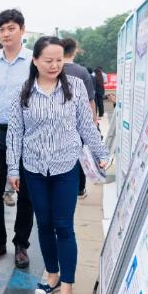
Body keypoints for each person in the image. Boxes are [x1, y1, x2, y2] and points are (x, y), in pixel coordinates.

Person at [7, 36, 108, 294]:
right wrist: (12, 169)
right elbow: (15, 132)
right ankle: (52, 274)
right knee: (44, 224)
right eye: (48, 60)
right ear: (35, 61)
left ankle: (67, 287)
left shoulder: (74, 86)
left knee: (64, 226)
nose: (54, 65)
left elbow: (85, 125)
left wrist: (101, 154)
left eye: (59, 60)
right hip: (34, 169)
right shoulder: (23, 91)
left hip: (65, 168)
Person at [0, 8, 35, 269]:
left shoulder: (34, 60)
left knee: (25, 190)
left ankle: (21, 244)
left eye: (11, 28)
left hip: (27, 133)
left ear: (22, 30)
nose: (6, 33)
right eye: (1, 29)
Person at [61, 37, 97, 199]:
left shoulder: (52, 69)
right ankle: (80, 189)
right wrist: (93, 121)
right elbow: (90, 100)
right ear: (74, 51)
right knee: (80, 155)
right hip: (79, 122)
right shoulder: (82, 72)